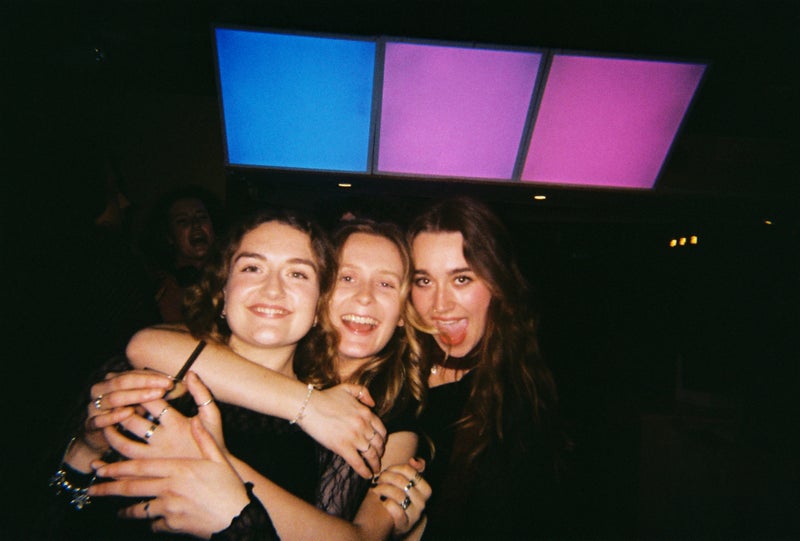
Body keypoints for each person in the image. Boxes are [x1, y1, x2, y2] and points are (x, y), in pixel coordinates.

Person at [45, 209, 384, 539]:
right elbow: (51, 516)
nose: (272, 289)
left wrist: (240, 519)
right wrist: (86, 451)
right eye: (252, 268)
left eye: (297, 274)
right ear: (223, 291)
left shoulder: (335, 430)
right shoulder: (146, 377)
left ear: (320, 306)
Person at [407, 195, 570, 540]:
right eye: (424, 281)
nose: (440, 305)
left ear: (496, 283)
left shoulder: (517, 403)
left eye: (461, 279)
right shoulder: (392, 371)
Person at [140, 185, 224, 323]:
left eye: (202, 217)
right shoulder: (161, 288)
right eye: (183, 221)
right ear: (169, 236)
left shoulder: (231, 275)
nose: (196, 224)